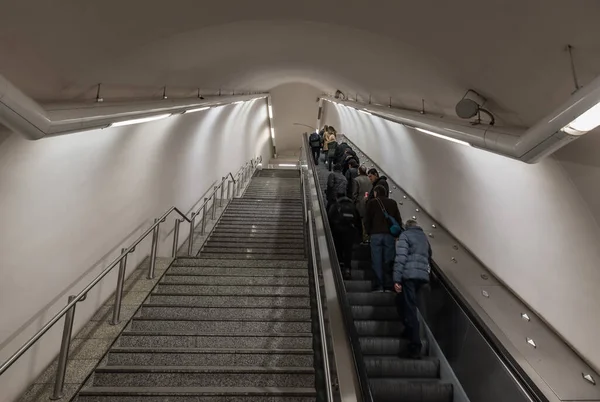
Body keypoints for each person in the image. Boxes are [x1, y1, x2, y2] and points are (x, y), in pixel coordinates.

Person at [393, 219, 432, 359]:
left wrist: (397, 279)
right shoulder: (423, 238)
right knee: (400, 301)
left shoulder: (405, 236)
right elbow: (429, 255)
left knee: (410, 309)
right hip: (421, 277)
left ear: (406, 227)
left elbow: (401, 258)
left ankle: (415, 346)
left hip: (409, 276)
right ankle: (407, 329)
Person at [365, 185, 402, 292]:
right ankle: (388, 285)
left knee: (376, 261)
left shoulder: (372, 203)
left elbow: (367, 220)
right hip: (389, 235)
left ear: (376, 193)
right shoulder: (393, 203)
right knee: (388, 260)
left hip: (375, 235)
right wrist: (396, 235)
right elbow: (398, 220)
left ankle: (379, 286)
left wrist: (369, 232)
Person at [328, 196, 362, 279]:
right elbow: (358, 222)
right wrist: (360, 237)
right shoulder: (352, 206)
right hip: (350, 232)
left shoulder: (335, 205)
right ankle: (347, 269)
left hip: (337, 231)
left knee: (338, 248)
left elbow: (329, 219)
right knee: (348, 250)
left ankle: (339, 265)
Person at [352, 165, 372, 242]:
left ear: (359, 171)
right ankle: (367, 238)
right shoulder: (370, 179)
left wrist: (353, 203)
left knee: (359, 222)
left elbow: (354, 194)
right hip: (369, 203)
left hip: (359, 203)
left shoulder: (357, 180)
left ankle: (361, 238)